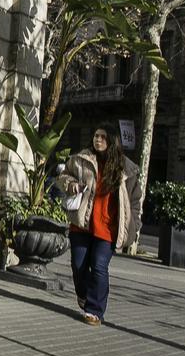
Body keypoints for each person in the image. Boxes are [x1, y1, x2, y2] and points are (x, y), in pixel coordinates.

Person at [56, 123, 143, 326]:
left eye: (103, 137)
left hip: (108, 229)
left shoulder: (127, 169)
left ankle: (95, 310)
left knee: (99, 267)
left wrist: (134, 224)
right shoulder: (81, 159)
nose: (98, 140)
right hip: (82, 224)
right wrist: (71, 185)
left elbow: (135, 200)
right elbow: (63, 177)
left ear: (112, 140)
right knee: (78, 266)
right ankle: (84, 295)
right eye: (96, 136)